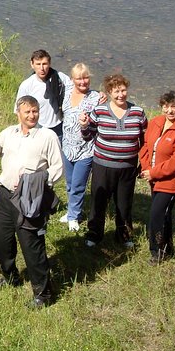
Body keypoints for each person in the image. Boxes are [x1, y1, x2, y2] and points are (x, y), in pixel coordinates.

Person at [0, 95, 64, 308]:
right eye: (27, 111)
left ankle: (43, 293)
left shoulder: (47, 136)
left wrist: (36, 183)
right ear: (18, 112)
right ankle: (10, 276)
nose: (32, 115)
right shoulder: (9, 133)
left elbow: (58, 168)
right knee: (1, 239)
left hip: (31, 198)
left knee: (31, 245)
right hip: (5, 195)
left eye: (35, 111)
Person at [80, 74, 148, 248]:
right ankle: (94, 234)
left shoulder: (138, 113)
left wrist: (144, 163)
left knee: (124, 203)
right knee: (99, 201)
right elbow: (89, 137)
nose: (121, 95)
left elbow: (144, 140)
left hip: (128, 167)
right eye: (116, 91)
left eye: (123, 90)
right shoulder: (99, 111)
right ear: (109, 92)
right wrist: (84, 126)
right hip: (103, 165)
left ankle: (124, 235)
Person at [139, 91, 175, 264]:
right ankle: (167, 247)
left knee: (157, 215)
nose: (169, 111)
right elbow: (145, 147)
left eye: (173, 107)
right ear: (161, 106)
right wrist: (147, 169)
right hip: (153, 177)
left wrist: (154, 173)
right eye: (166, 106)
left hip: (171, 180)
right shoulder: (155, 122)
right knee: (165, 214)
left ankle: (157, 251)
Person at [59, 63, 101, 232]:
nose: (83, 82)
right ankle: (72, 210)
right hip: (67, 146)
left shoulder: (96, 97)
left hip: (86, 149)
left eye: (86, 77)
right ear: (72, 80)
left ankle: (74, 217)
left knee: (78, 184)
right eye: (79, 78)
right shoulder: (67, 93)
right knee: (69, 183)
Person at [16, 50, 72, 142]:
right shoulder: (27, 85)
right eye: (38, 64)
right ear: (32, 64)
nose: (42, 68)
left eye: (44, 64)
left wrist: (99, 94)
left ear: (49, 64)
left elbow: (78, 88)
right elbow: (19, 111)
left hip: (58, 127)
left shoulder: (60, 78)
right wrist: (23, 132)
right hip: (38, 127)